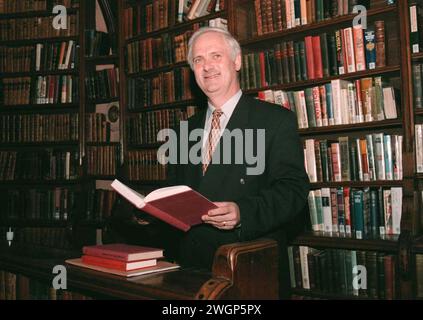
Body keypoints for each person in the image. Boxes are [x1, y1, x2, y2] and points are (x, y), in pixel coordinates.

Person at [110, 27, 309, 298]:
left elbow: (293, 191)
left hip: (248, 271)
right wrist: (151, 213)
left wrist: (243, 213)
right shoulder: (184, 131)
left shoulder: (275, 120)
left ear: (236, 61)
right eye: (198, 60)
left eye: (216, 55)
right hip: (190, 272)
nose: (207, 67)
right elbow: (178, 194)